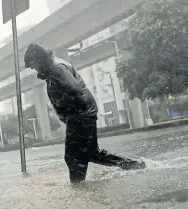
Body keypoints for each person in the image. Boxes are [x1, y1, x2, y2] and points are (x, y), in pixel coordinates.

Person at [24, 43, 146, 183]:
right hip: (84, 112)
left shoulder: (56, 69)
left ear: (39, 59)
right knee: (92, 154)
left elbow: (74, 89)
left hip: (80, 115)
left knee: (73, 157)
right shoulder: (53, 68)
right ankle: (134, 166)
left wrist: (65, 108)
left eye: (33, 64)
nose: (33, 68)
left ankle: (78, 190)